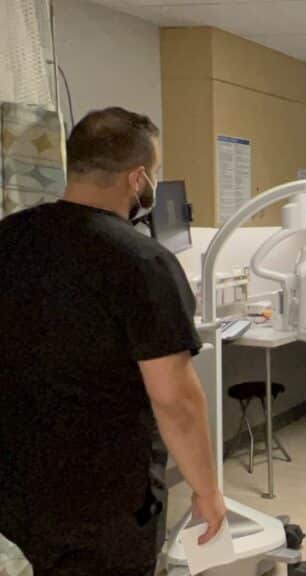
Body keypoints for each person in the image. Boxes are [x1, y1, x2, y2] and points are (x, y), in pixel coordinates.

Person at [0, 107, 227, 575]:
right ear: (138, 177)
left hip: (18, 486)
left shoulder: (9, 239)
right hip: (104, 500)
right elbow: (176, 401)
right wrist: (207, 491)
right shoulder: (143, 263)